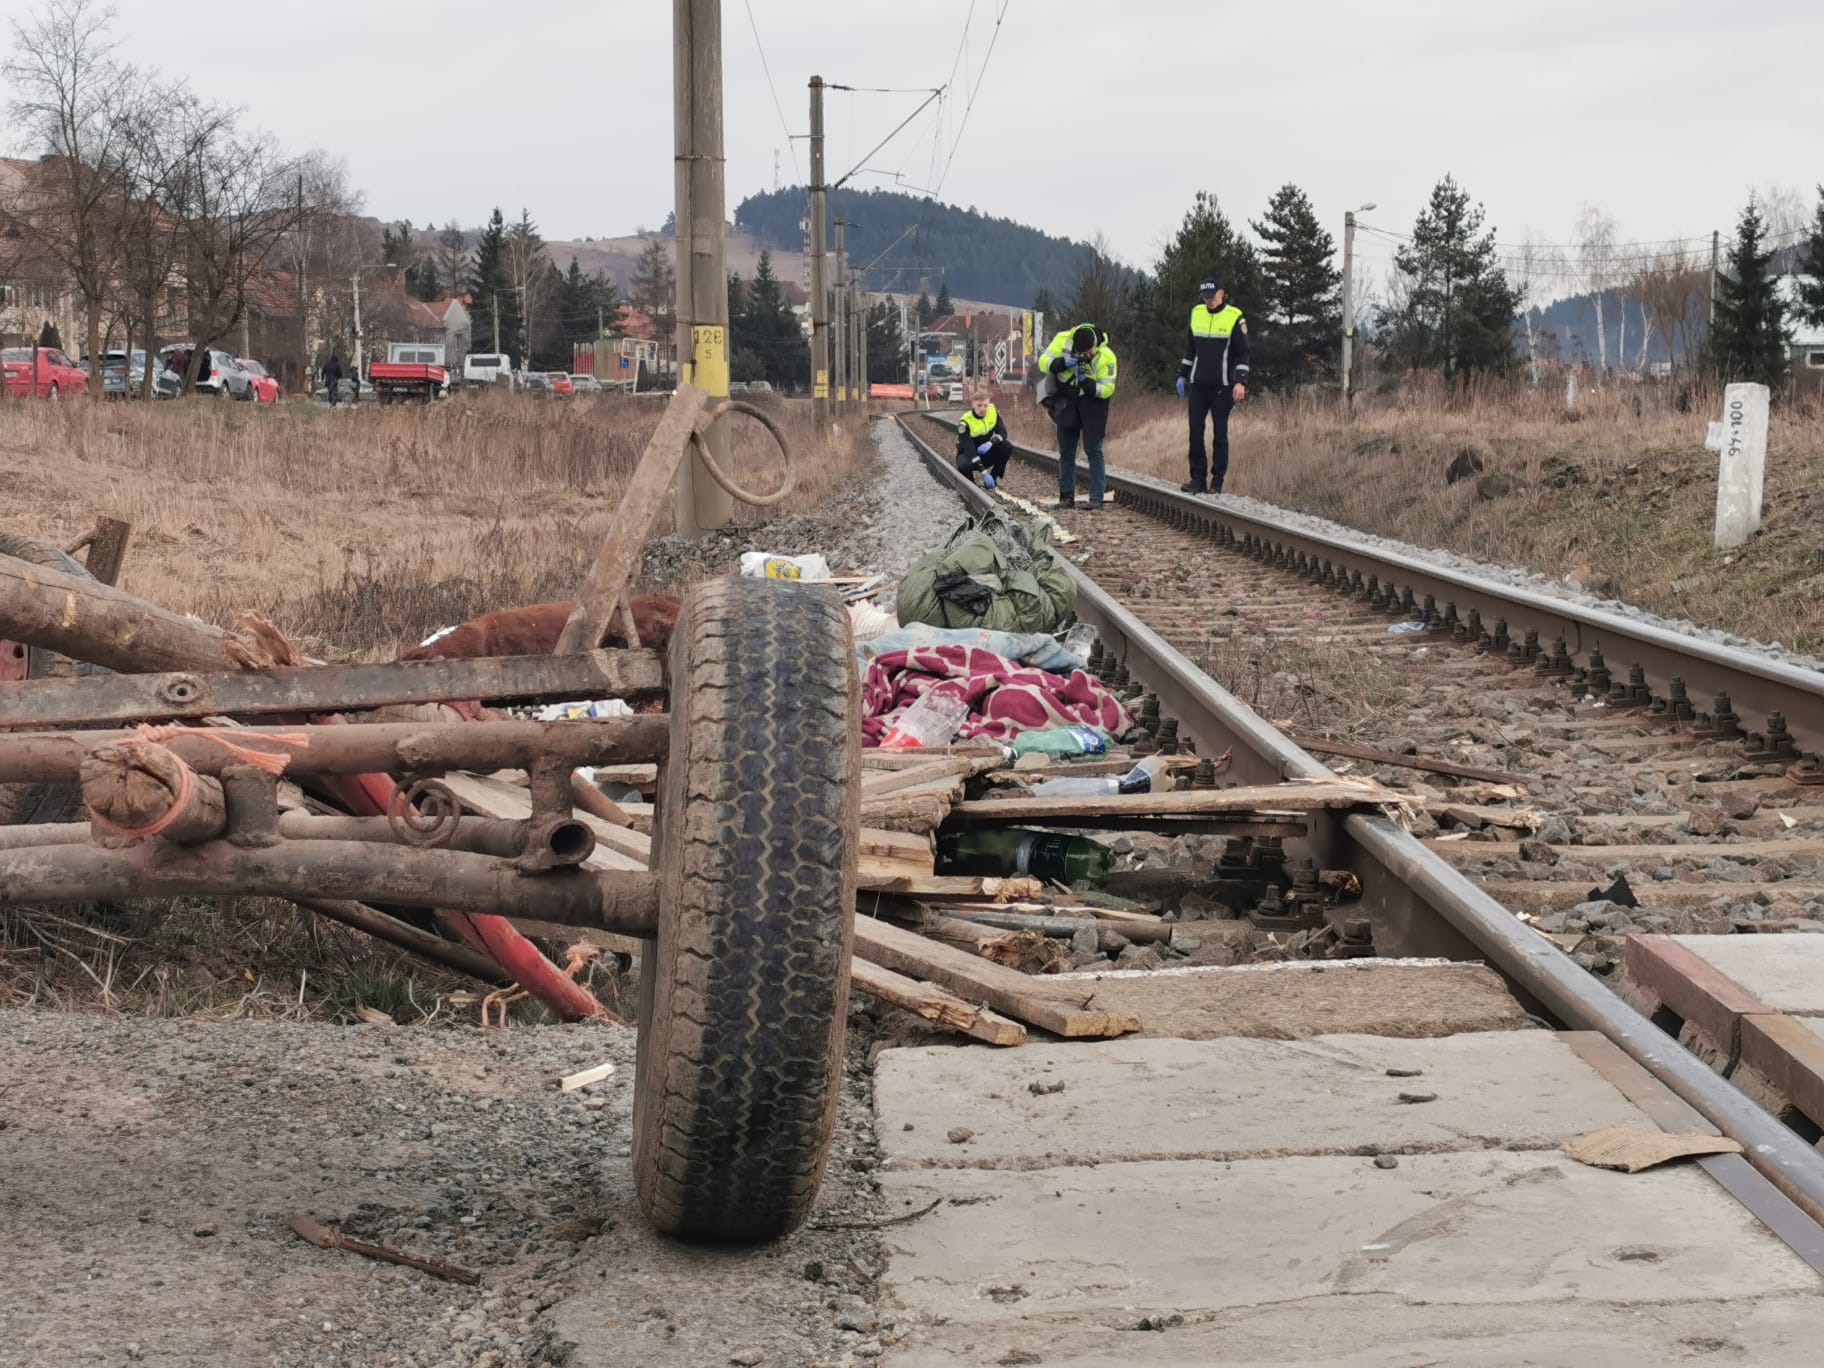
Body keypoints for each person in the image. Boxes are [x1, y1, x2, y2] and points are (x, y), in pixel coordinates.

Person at [1176, 277, 1250, 495]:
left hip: (1223, 385)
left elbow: (1243, 352)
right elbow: (1190, 349)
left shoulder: (1234, 317)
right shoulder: (1196, 313)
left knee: (1219, 432)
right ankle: (1197, 478)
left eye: (1212, 296)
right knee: (1195, 430)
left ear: (1221, 294)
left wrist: (1241, 381)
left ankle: (1217, 480)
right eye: (1205, 297)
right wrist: (1182, 375)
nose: (1208, 301)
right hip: (1198, 384)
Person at [1037, 322, 1117, 510]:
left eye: (1087, 354)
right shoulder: (1062, 340)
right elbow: (1043, 362)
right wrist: (1063, 363)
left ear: (1094, 347)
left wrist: (1086, 382)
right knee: (1066, 450)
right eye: (1079, 354)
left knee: (1093, 450)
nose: (1084, 357)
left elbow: (1107, 389)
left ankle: (1096, 498)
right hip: (1068, 399)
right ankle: (1066, 497)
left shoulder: (1107, 357)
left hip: (1093, 403)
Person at [954, 391, 1012, 488]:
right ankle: (971, 485)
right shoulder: (965, 422)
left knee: (1007, 446)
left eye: (985, 405)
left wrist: (990, 443)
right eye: (979, 405)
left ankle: (993, 479)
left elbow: (1003, 433)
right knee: (963, 465)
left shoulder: (993, 412)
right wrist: (984, 472)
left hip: (986, 452)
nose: (983, 409)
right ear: (973, 404)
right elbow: (970, 450)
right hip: (969, 455)